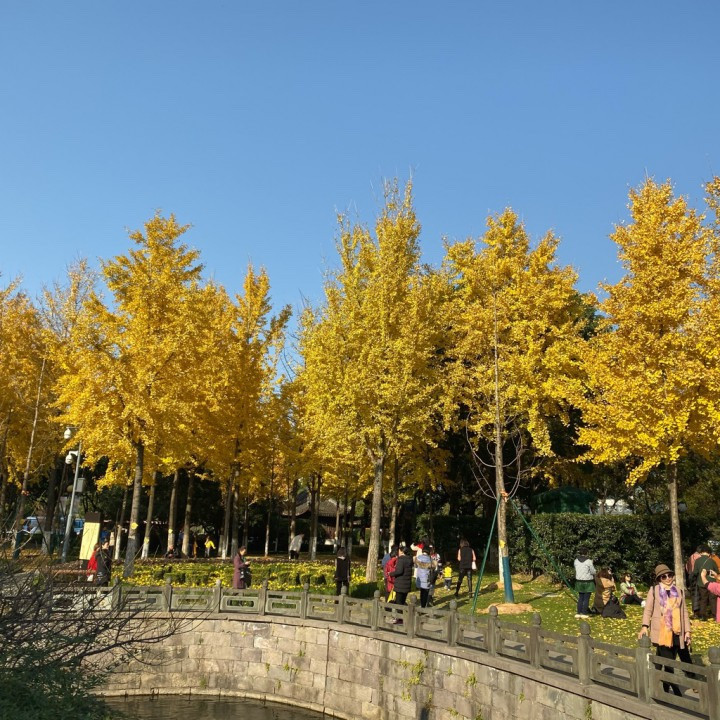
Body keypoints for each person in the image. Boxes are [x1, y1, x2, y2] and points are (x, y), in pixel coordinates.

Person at [638, 563, 692, 697]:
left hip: (677, 632)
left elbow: (684, 612)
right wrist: (644, 626)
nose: (668, 578)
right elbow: (648, 610)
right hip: (661, 632)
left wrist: (687, 631)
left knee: (668, 661)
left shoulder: (678, 591)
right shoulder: (654, 590)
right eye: (664, 576)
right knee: (668, 663)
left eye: (670, 575)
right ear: (659, 579)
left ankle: (664, 689)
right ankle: (676, 692)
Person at [691, 545, 718, 620]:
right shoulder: (712, 561)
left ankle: (702, 616)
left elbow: (695, 572)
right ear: (708, 553)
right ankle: (715, 615)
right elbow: (717, 571)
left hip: (701, 583)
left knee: (703, 599)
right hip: (712, 583)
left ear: (701, 552)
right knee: (713, 599)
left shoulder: (697, 561)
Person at [574, 547, 596, 619]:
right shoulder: (589, 561)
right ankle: (584, 613)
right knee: (586, 598)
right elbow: (593, 572)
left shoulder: (576, 561)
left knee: (580, 597)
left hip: (579, 581)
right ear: (587, 553)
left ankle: (578, 613)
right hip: (587, 581)